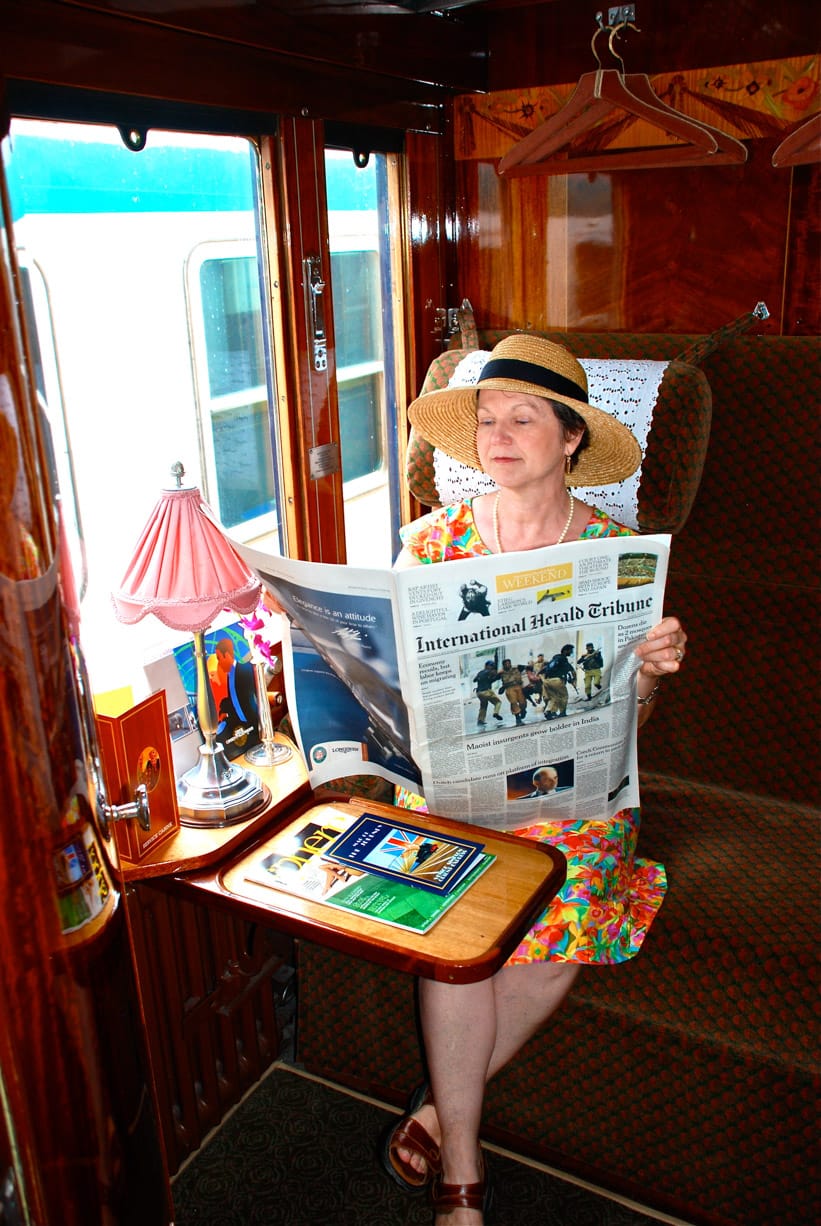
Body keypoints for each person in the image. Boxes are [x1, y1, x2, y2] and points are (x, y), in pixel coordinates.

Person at [381, 334, 687, 1225]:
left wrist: (649, 674)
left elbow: (628, 725)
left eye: (524, 418)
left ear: (571, 441)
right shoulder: (426, 548)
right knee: (455, 938)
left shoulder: (617, 554)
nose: (498, 435)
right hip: (452, 789)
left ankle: (439, 1114)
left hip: (567, 790)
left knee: (565, 934)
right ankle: (462, 1174)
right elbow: (397, 688)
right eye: (485, 419)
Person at [539, 643, 577, 719]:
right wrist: (572, 680)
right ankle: (562, 713)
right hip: (556, 680)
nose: (571, 652)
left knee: (553, 697)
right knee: (564, 696)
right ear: (565, 651)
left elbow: (544, 670)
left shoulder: (554, 659)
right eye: (570, 651)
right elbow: (570, 670)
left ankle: (548, 711)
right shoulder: (563, 659)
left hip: (547, 680)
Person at [471, 661, 504, 726]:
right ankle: (496, 713)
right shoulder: (490, 672)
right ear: (488, 666)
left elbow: (474, 680)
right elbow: (496, 675)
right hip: (486, 691)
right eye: (492, 666)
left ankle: (480, 720)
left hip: (479, 693)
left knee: (483, 706)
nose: (492, 667)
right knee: (498, 702)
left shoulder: (480, 672)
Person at [497, 659, 527, 725]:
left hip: (519, 686)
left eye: (509, 663)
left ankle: (523, 710)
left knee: (522, 702)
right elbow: (495, 677)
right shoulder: (501, 672)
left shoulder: (517, 668)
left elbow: (527, 667)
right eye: (506, 664)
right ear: (503, 665)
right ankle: (517, 718)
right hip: (509, 688)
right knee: (513, 702)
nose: (507, 665)